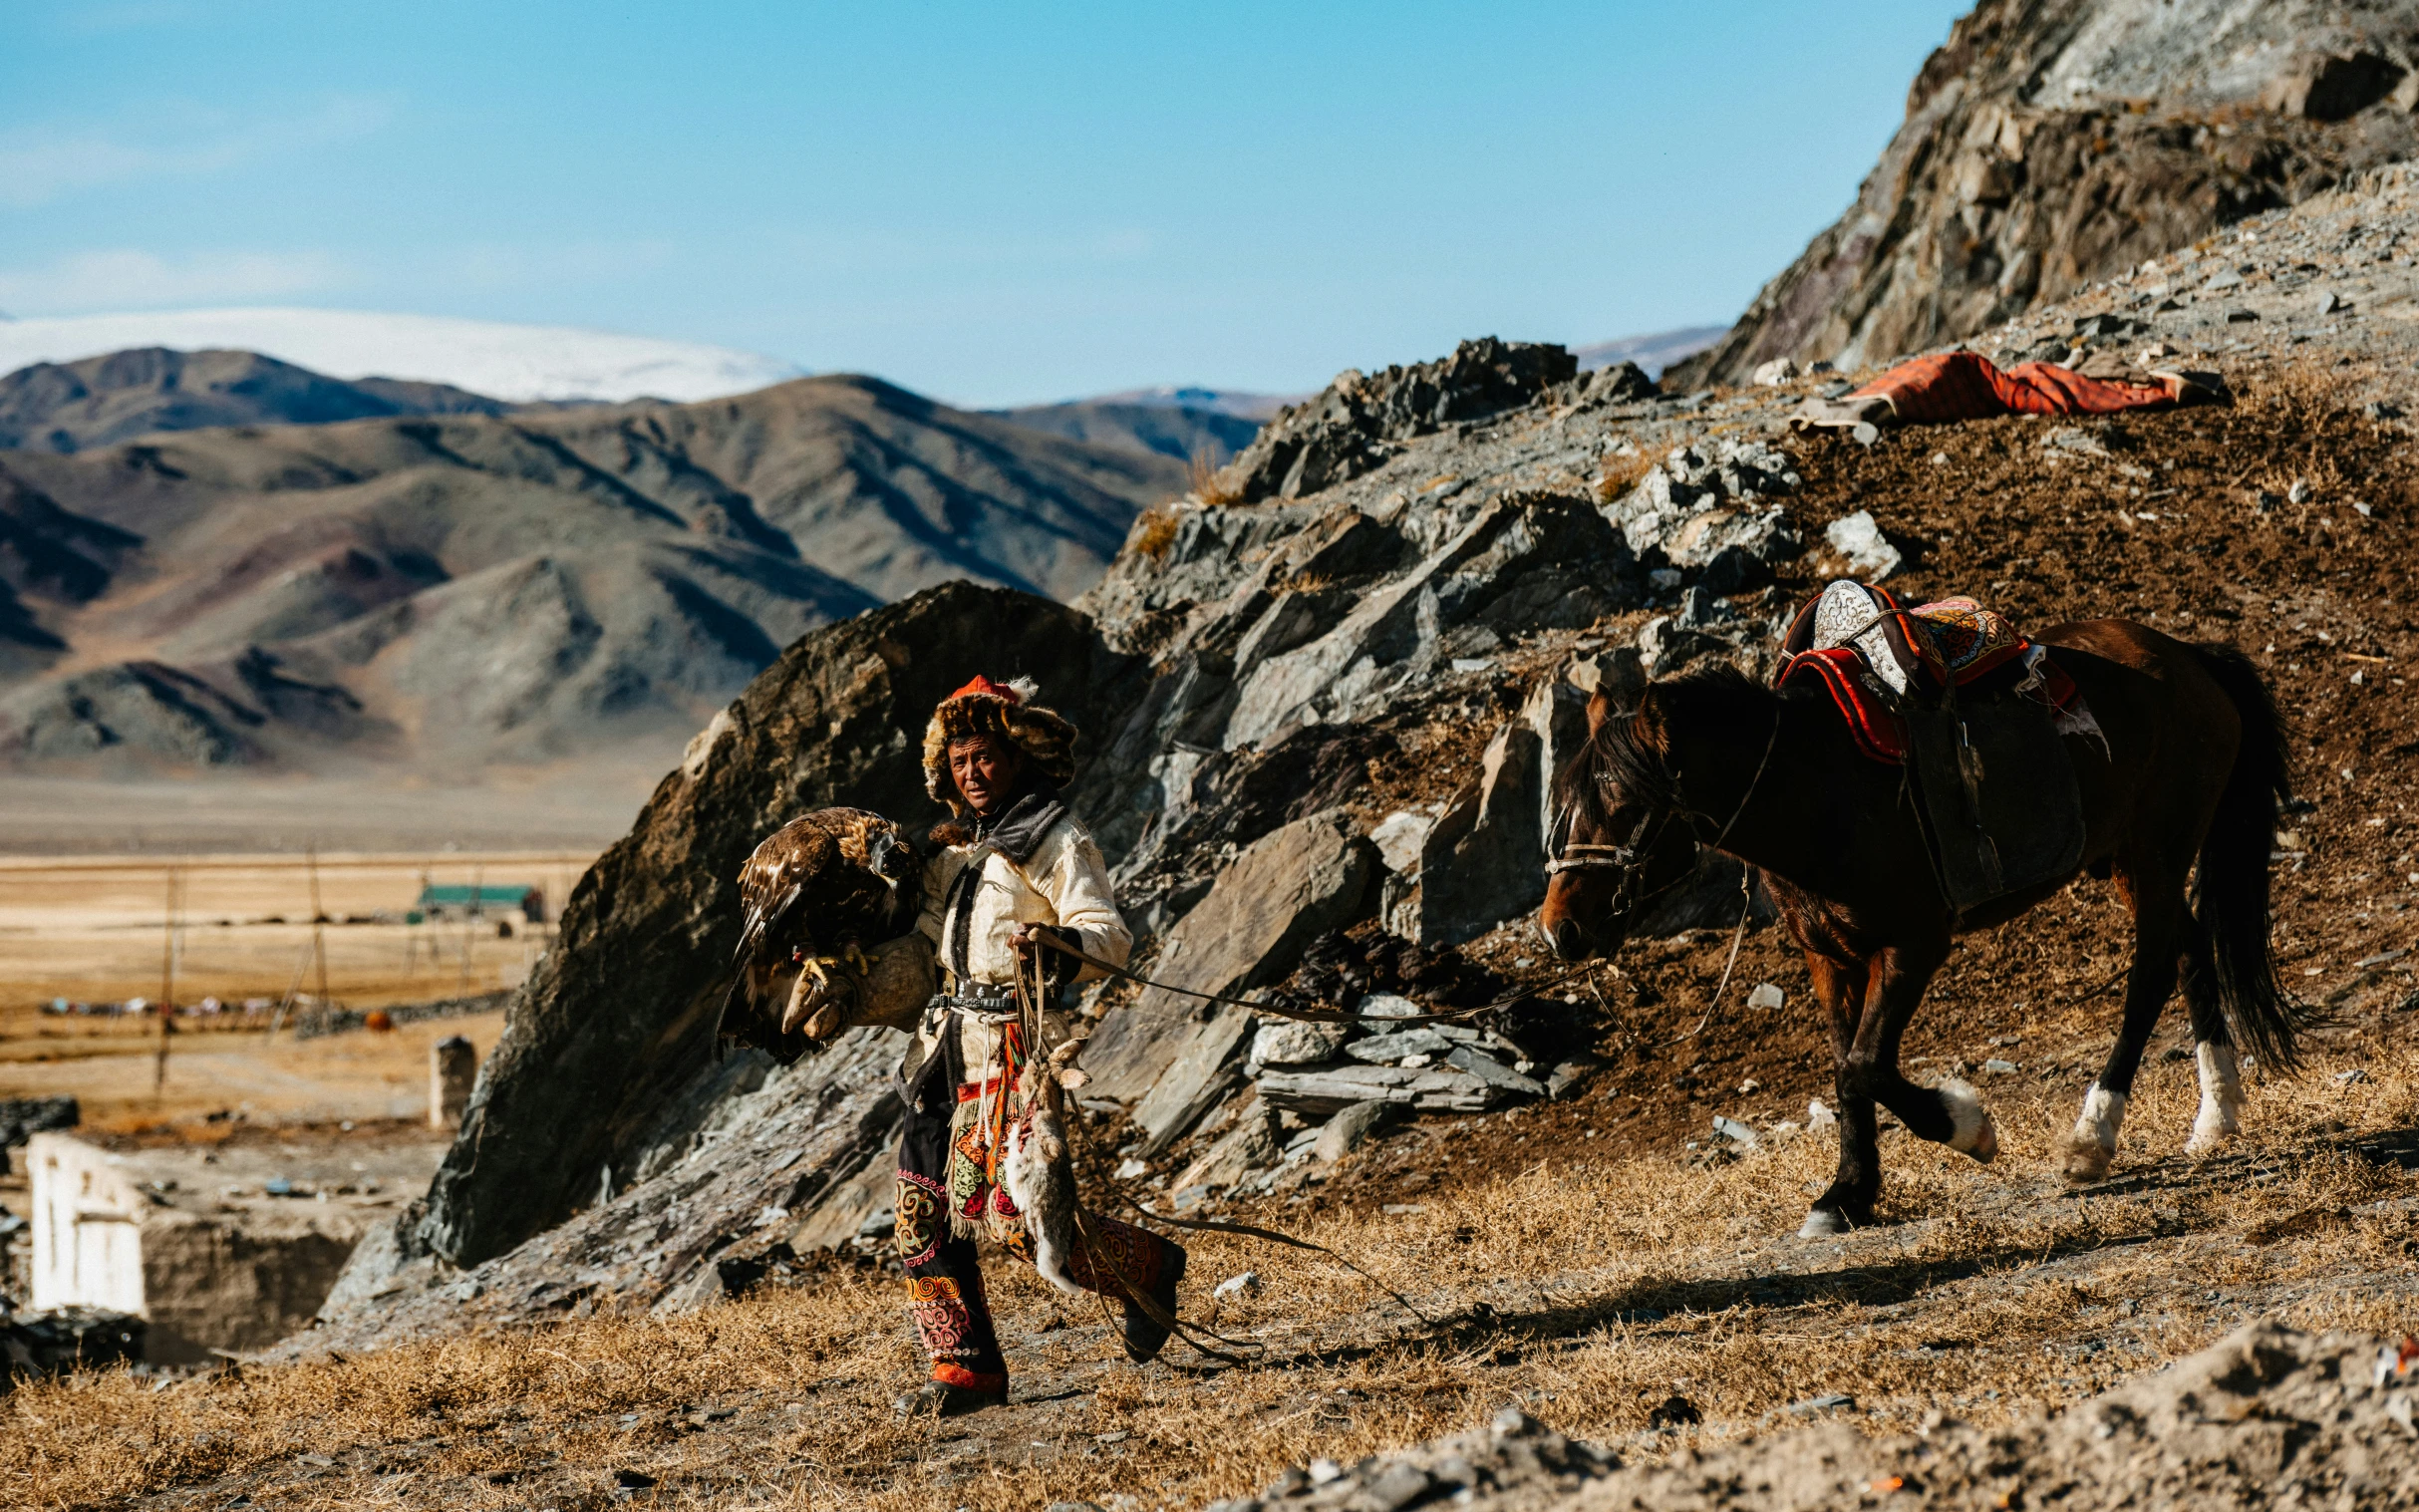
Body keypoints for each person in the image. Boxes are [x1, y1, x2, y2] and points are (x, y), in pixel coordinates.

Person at [793, 674, 1187, 1417]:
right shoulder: (954, 851)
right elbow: (921, 953)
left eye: (985, 757)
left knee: (1010, 1216)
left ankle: (1150, 1264)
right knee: (919, 1214)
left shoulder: (1056, 840)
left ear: (1018, 757)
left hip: (1010, 1053)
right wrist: (849, 984)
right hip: (939, 1051)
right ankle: (964, 1371)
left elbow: (1110, 936)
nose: (971, 773)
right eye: (959, 760)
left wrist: (1057, 942)